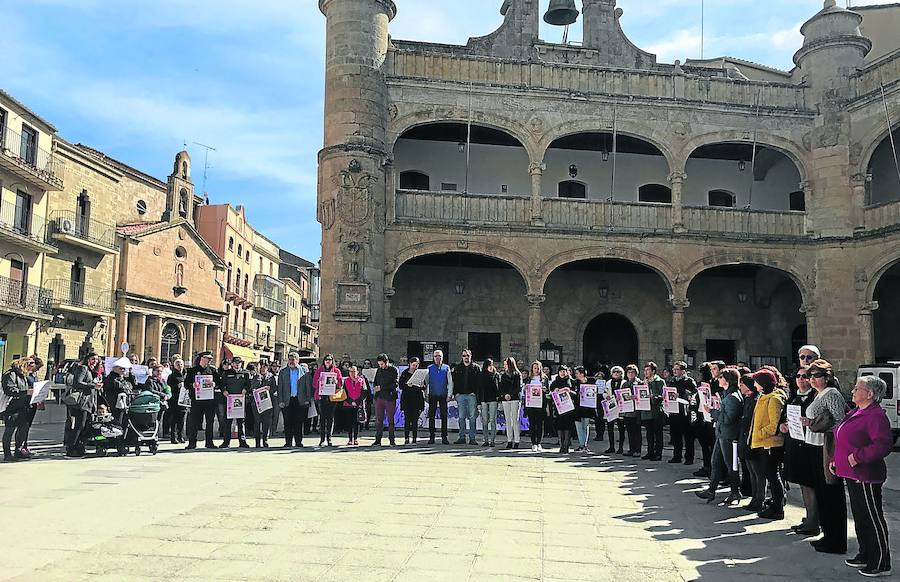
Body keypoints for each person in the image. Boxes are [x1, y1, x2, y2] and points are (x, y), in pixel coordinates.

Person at [832, 376, 893, 577]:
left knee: (872, 517)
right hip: (851, 472)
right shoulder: (857, 412)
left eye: (857, 389)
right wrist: (837, 460)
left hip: (865, 474)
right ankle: (865, 553)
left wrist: (857, 457)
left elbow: (882, 445)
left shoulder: (875, 416)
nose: (853, 391)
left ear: (870, 394)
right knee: (860, 516)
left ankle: (881, 561)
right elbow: (843, 436)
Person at [804, 358, 848, 554]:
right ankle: (827, 535)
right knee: (822, 494)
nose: (812, 379)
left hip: (827, 448)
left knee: (831, 495)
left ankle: (836, 540)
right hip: (815, 445)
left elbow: (840, 422)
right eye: (809, 375)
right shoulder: (818, 394)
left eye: (816, 375)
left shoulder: (831, 394)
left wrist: (835, 455)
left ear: (826, 377)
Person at [779, 366, 820, 536]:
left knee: (811, 484)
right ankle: (809, 516)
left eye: (805, 376)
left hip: (810, 446)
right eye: (798, 376)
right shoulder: (793, 398)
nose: (801, 379)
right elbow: (784, 418)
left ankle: (813, 521)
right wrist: (782, 426)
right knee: (803, 484)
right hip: (795, 444)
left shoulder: (815, 397)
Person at [696, 367, 743, 505]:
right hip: (722, 434)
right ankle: (711, 490)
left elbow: (728, 419)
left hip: (728, 435)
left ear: (728, 380)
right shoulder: (728, 395)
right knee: (715, 462)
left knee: (731, 465)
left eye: (722, 377)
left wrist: (712, 412)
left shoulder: (732, 397)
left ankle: (735, 491)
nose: (719, 379)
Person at [749, 368, 787, 520]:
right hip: (763, 443)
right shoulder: (763, 396)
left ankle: (778, 507)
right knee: (770, 474)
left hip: (770, 443)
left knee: (773, 475)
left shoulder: (773, 399)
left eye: (757, 382)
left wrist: (759, 433)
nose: (755, 385)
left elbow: (773, 425)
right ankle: (774, 503)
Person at [738, 373, 765, 510]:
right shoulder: (748, 399)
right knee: (751, 471)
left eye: (741, 384)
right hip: (745, 438)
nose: (739, 387)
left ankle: (759, 499)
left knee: (757, 472)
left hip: (753, 439)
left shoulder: (756, 400)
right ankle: (755, 498)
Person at [185, 351, 221, 450]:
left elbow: (219, 382)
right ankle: (192, 442)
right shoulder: (192, 370)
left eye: (210, 359)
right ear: (202, 358)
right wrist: (192, 385)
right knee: (194, 422)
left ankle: (209, 442)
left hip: (209, 400)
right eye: (207, 358)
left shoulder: (212, 371)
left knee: (210, 422)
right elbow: (186, 384)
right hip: (197, 400)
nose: (209, 361)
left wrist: (215, 384)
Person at [277, 352, 313, 448]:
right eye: (290, 359)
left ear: (298, 360)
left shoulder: (304, 371)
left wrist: (308, 399)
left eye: (293, 359)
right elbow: (280, 387)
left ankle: (298, 442)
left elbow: (308, 387)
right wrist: (280, 401)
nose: (291, 361)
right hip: (287, 400)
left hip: (300, 400)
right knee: (287, 422)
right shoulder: (283, 372)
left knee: (299, 422)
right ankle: (288, 442)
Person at [2, 357, 33, 462]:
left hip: (22, 407)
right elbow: (9, 390)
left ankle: (18, 450)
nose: (30, 369)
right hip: (11, 407)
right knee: (9, 431)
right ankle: (7, 454)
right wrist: (26, 392)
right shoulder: (10, 374)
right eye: (29, 366)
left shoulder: (22, 375)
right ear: (23, 365)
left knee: (23, 429)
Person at [668, 360, 697, 464]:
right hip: (674, 411)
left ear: (683, 371)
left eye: (677, 369)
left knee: (688, 436)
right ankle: (677, 456)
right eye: (673, 369)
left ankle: (689, 458)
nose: (674, 371)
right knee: (675, 435)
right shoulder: (671, 381)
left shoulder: (689, 381)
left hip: (685, 412)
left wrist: (681, 395)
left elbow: (693, 395)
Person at [219, 357, 251, 449]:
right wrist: (224, 391)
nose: (237, 364)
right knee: (227, 422)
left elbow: (248, 384)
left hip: (240, 401)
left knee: (241, 422)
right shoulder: (226, 373)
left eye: (239, 363)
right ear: (232, 364)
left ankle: (242, 442)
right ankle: (226, 442)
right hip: (229, 400)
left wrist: (245, 389)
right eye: (235, 362)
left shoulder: (245, 373)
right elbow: (222, 384)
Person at [312, 354, 343, 447]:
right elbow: (314, 384)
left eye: (330, 360)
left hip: (332, 397)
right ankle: (322, 439)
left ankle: (329, 438)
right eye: (326, 360)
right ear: (324, 361)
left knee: (330, 418)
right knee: (322, 418)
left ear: (332, 361)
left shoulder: (336, 371)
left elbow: (340, 384)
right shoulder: (319, 371)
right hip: (321, 397)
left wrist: (337, 382)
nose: (328, 361)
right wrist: (319, 381)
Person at [424, 350, 453, 445]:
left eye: (439, 356)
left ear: (442, 357)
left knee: (444, 417)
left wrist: (449, 394)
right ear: (433, 357)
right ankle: (432, 437)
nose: (437, 358)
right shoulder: (429, 368)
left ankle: (444, 437)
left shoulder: (446, 368)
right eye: (436, 356)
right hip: (432, 395)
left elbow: (450, 382)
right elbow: (426, 383)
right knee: (431, 417)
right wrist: (426, 394)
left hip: (443, 395)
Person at [452, 349, 481, 445]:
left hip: (472, 396)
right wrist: (455, 393)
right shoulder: (457, 368)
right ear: (462, 357)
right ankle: (462, 437)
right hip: (460, 395)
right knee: (461, 417)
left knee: (472, 417)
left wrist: (476, 394)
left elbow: (479, 383)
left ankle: (472, 438)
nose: (466, 357)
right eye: (464, 355)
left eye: (467, 355)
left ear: (471, 356)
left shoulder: (476, 368)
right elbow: (454, 382)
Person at [371, 353, 398, 446]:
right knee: (379, 420)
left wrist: (381, 387)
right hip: (379, 397)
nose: (381, 366)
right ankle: (378, 439)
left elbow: (394, 384)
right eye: (379, 364)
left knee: (390, 420)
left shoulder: (394, 370)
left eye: (382, 364)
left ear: (387, 362)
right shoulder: (379, 370)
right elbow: (375, 381)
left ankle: (392, 439)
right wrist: (376, 387)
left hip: (389, 398)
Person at [640, 362, 665, 461]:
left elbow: (663, 395)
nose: (646, 372)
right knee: (649, 433)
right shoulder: (643, 382)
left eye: (648, 370)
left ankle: (658, 453)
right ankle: (650, 452)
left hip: (656, 410)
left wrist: (653, 396)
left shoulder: (659, 381)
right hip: (646, 410)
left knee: (658, 433)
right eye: (645, 370)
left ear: (653, 371)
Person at [550, 365, 576, 454]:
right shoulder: (554, 382)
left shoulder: (572, 381)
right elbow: (550, 394)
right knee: (560, 426)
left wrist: (569, 391)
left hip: (569, 407)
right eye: (561, 371)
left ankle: (566, 446)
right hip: (559, 408)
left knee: (568, 426)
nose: (562, 373)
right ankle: (561, 446)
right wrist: (554, 391)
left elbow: (576, 393)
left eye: (564, 371)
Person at [524, 360, 549, 452]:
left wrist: (544, 389)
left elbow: (548, 391)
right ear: (532, 369)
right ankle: (533, 443)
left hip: (540, 404)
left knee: (539, 425)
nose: (536, 370)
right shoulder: (529, 378)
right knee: (532, 424)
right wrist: (526, 388)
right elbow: (524, 391)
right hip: (531, 404)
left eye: (538, 368)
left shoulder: (544, 378)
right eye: (535, 368)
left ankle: (539, 443)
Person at [399, 357, 425, 445]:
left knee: (415, 420)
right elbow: (401, 385)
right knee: (407, 420)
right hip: (407, 399)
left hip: (417, 399)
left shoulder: (420, 373)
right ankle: (406, 438)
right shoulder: (405, 373)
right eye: (413, 365)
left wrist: (422, 385)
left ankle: (414, 438)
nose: (415, 367)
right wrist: (407, 385)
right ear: (409, 364)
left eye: (416, 365)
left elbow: (424, 386)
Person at [103, 358, 135, 425]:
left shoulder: (122, 378)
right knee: (117, 421)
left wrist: (130, 373)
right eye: (121, 368)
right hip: (115, 404)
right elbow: (121, 387)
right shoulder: (111, 378)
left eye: (124, 369)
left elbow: (132, 385)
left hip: (123, 404)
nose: (123, 370)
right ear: (114, 368)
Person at [499, 357, 522, 449]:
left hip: (515, 398)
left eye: (506, 364)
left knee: (515, 420)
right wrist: (505, 395)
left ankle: (516, 440)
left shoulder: (517, 374)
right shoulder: (503, 375)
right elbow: (501, 387)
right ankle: (509, 440)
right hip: (506, 399)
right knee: (508, 420)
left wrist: (511, 395)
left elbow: (518, 387)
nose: (505, 366)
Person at [477, 358, 501, 447]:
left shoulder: (496, 375)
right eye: (489, 365)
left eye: (492, 364)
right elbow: (479, 389)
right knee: (484, 421)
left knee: (492, 420)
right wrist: (478, 402)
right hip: (483, 399)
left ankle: (492, 441)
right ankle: (486, 440)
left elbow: (497, 387)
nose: (491, 366)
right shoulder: (481, 375)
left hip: (493, 400)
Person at [572, 367, 595, 452]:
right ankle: (582, 445)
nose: (576, 375)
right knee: (579, 426)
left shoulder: (592, 381)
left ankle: (584, 444)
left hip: (587, 407)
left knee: (585, 426)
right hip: (578, 407)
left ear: (582, 374)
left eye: (577, 373)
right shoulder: (575, 383)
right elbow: (573, 393)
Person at [605, 366, 627, 454]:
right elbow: (604, 392)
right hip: (611, 406)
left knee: (621, 427)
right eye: (614, 372)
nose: (616, 374)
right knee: (610, 427)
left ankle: (621, 447)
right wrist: (606, 396)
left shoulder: (624, 382)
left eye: (618, 372)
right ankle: (611, 446)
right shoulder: (608, 382)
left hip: (621, 406)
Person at [342, 365, 365, 446]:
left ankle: (355, 438)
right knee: (349, 422)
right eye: (351, 371)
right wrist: (350, 401)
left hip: (358, 404)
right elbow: (344, 393)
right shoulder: (346, 381)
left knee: (356, 422)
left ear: (357, 372)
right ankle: (350, 439)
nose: (352, 373)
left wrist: (358, 402)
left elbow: (364, 392)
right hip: (348, 404)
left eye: (354, 371)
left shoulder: (361, 380)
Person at [166, 357, 187, 444]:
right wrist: (176, 386)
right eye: (178, 365)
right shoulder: (172, 376)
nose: (180, 366)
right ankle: (173, 437)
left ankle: (180, 436)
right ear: (174, 366)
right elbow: (168, 387)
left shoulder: (186, 375)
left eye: (181, 364)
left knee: (181, 420)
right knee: (174, 420)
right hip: (174, 400)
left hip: (183, 400)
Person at [622, 364, 641, 456]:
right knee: (629, 431)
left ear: (636, 373)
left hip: (635, 410)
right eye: (628, 372)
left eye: (632, 372)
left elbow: (642, 395)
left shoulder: (639, 383)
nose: (630, 374)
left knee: (636, 431)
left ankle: (637, 450)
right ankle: (631, 449)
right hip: (627, 410)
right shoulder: (625, 384)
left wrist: (634, 397)